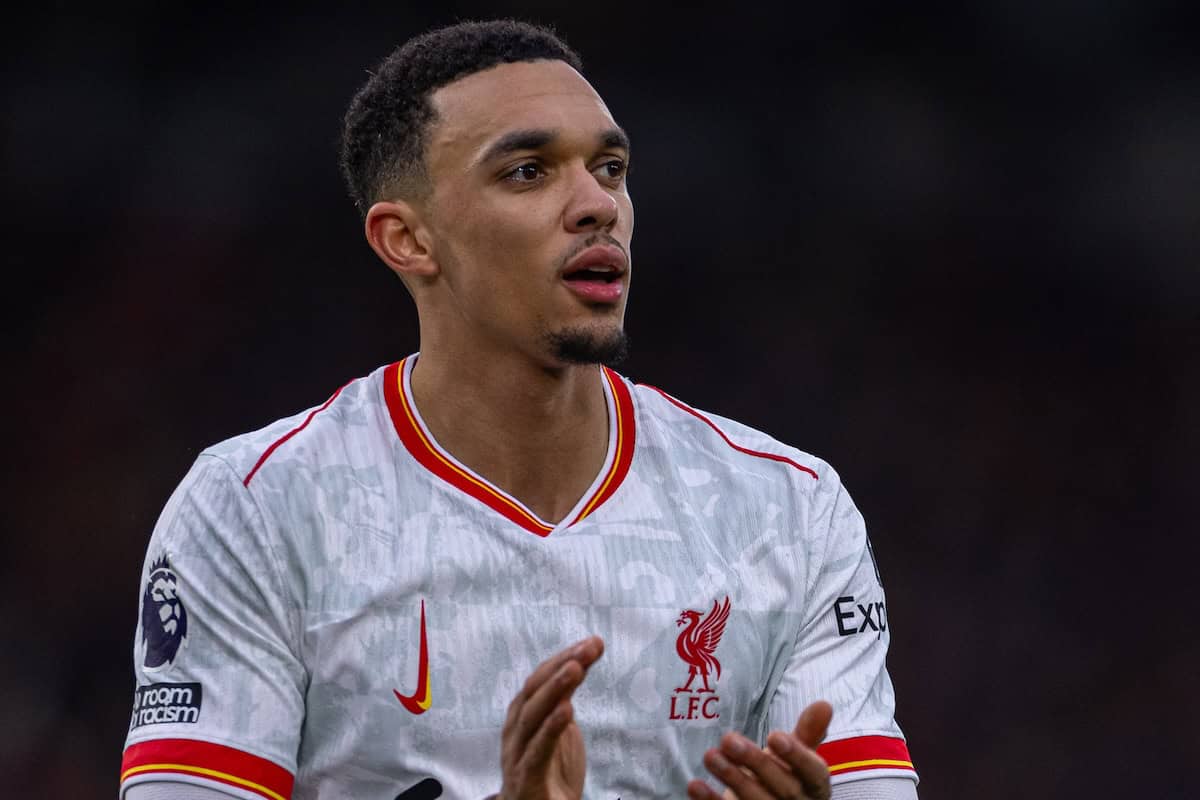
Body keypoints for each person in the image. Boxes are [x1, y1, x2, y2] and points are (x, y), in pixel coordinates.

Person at [119, 19, 918, 800]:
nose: (597, 205)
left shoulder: (790, 511)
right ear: (409, 240)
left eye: (609, 168)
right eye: (529, 172)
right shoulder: (256, 509)